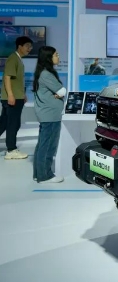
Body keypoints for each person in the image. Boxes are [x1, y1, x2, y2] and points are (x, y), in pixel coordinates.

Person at [32, 46, 66, 183]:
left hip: (47, 114)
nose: (58, 57)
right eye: (56, 54)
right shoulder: (46, 74)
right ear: (48, 57)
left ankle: (39, 173)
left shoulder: (42, 73)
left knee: (42, 144)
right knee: (48, 146)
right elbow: (62, 91)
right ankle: (45, 175)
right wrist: (59, 94)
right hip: (50, 115)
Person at [0, 35, 33, 160]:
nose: (29, 49)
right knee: (13, 124)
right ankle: (11, 150)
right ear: (20, 46)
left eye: (31, 46)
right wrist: (11, 95)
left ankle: (11, 148)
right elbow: (7, 77)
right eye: (27, 46)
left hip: (16, 97)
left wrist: (22, 94)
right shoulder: (13, 58)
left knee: (4, 123)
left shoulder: (18, 59)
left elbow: (16, 81)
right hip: (12, 98)